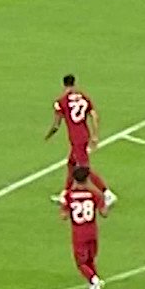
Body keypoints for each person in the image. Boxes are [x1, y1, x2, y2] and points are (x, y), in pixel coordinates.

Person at [45, 75, 117, 206]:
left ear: (64, 85)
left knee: (84, 169)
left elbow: (56, 125)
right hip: (84, 134)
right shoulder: (83, 97)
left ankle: (107, 194)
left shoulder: (61, 101)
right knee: (71, 164)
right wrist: (95, 135)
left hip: (76, 138)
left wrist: (49, 135)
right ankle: (65, 195)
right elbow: (94, 115)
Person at [62, 165, 109, 289]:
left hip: (79, 234)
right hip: (92, 232)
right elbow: (104, 213)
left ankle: (94, 280)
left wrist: (65, 207)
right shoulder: (94, 194)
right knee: (90, 259)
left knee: (81, 263)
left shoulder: (69, 196)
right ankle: (94, 288)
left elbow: (63, 216)